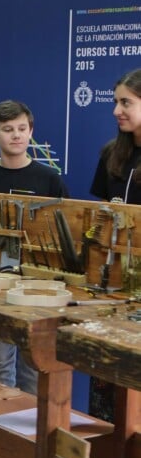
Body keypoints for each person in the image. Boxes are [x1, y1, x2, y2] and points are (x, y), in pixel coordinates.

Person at [0, 100, 69, 394]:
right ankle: (3, 434)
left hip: (38, 286)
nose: (16, 135)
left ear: (31, 132)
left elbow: (64, 235)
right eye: (8, 129)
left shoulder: (50, 180)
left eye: (22, 129)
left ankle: (29, 437)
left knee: (34, 369)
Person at [89, 68, 141, 422]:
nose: (116, 111)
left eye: (126, 102)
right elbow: (96, 216)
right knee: (105, 373)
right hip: (111, 286)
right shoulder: (112, 154)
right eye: (116, 102)